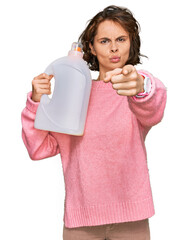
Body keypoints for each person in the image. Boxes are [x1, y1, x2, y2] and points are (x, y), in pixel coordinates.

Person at [21, 5, 167, 240]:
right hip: (82, 221)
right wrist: (36, 103)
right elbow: (38, 149)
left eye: (121, 39)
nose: (114, 48)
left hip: (132, 219)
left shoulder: (134, 89)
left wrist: (140, 86)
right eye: (104, 41)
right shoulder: (72, 92)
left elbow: (154, 108)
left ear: (132, 42)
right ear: (91, 46)